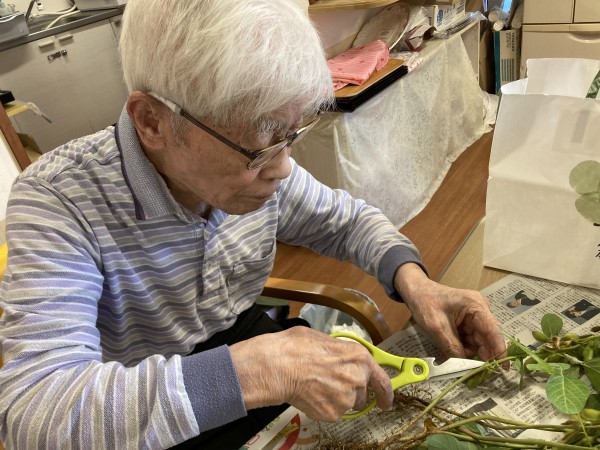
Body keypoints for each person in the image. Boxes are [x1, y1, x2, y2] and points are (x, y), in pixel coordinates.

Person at [0, 1, 506, 448]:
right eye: (261, 145)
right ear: (153, 122)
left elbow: (348, 223)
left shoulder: (263, 170)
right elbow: (35, 413)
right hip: (135, 408)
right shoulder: (56, 202)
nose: (283, 168)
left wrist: (417, 285)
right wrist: (255, 371)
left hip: (242, 342)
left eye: (292, 134)